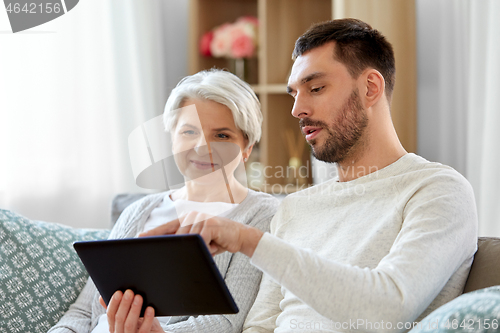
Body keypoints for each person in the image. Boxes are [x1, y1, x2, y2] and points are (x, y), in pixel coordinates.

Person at [143, 19, 478, 332]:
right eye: (294, 93)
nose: (296, 109)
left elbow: (389, 306)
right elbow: (260, 326)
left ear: (371, 88)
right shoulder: (296, 208)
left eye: (315, 88)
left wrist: (248, 240)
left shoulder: (437, 190)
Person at [48, 69, 280, 333]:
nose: (202, 146)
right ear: (173, 139)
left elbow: (226, 322)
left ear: (247, 148)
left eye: (222, 135)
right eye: (189, 132)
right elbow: (83, 312)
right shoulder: (138, 211)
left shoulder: (262, 215)